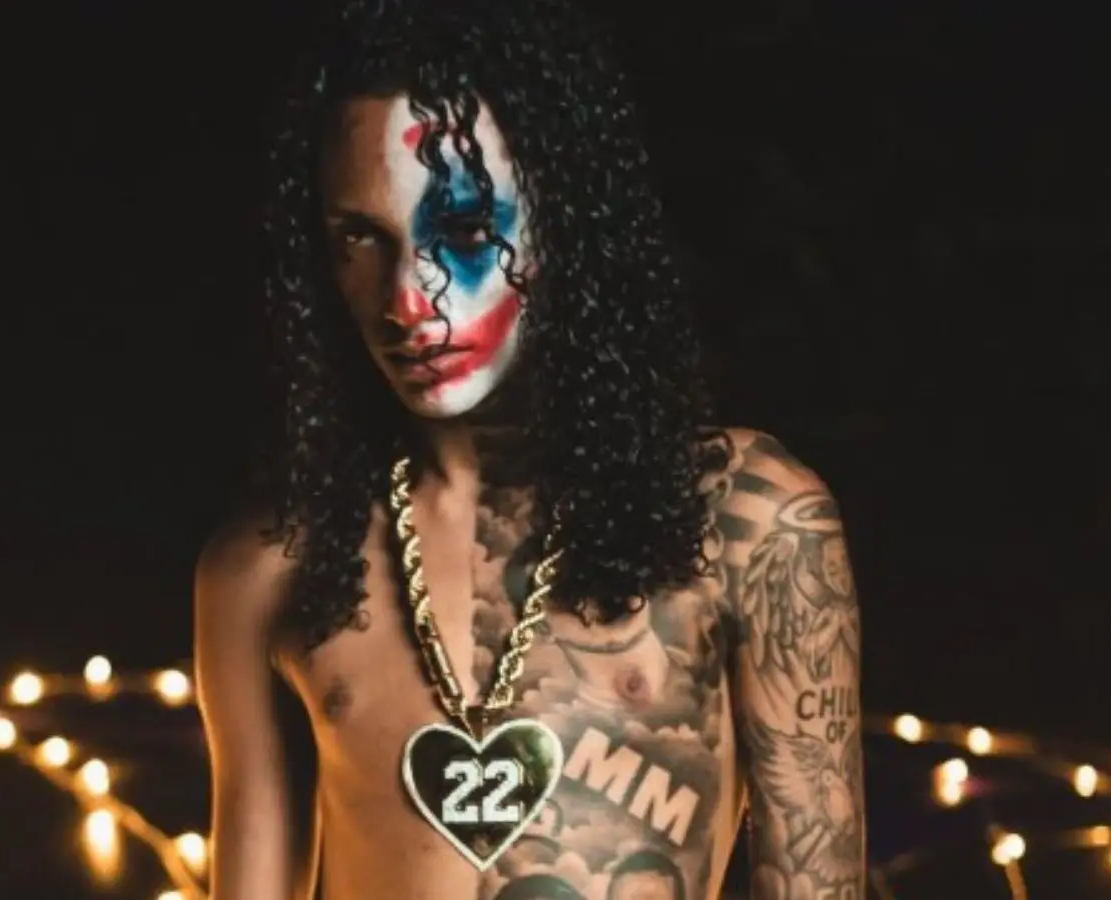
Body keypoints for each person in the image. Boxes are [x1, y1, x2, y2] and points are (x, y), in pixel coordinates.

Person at [193, 0, 866, 898]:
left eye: (465, 232)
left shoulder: (748, 519)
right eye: (361, 237)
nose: (409, 300)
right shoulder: (267, 567)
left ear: (566, 221)